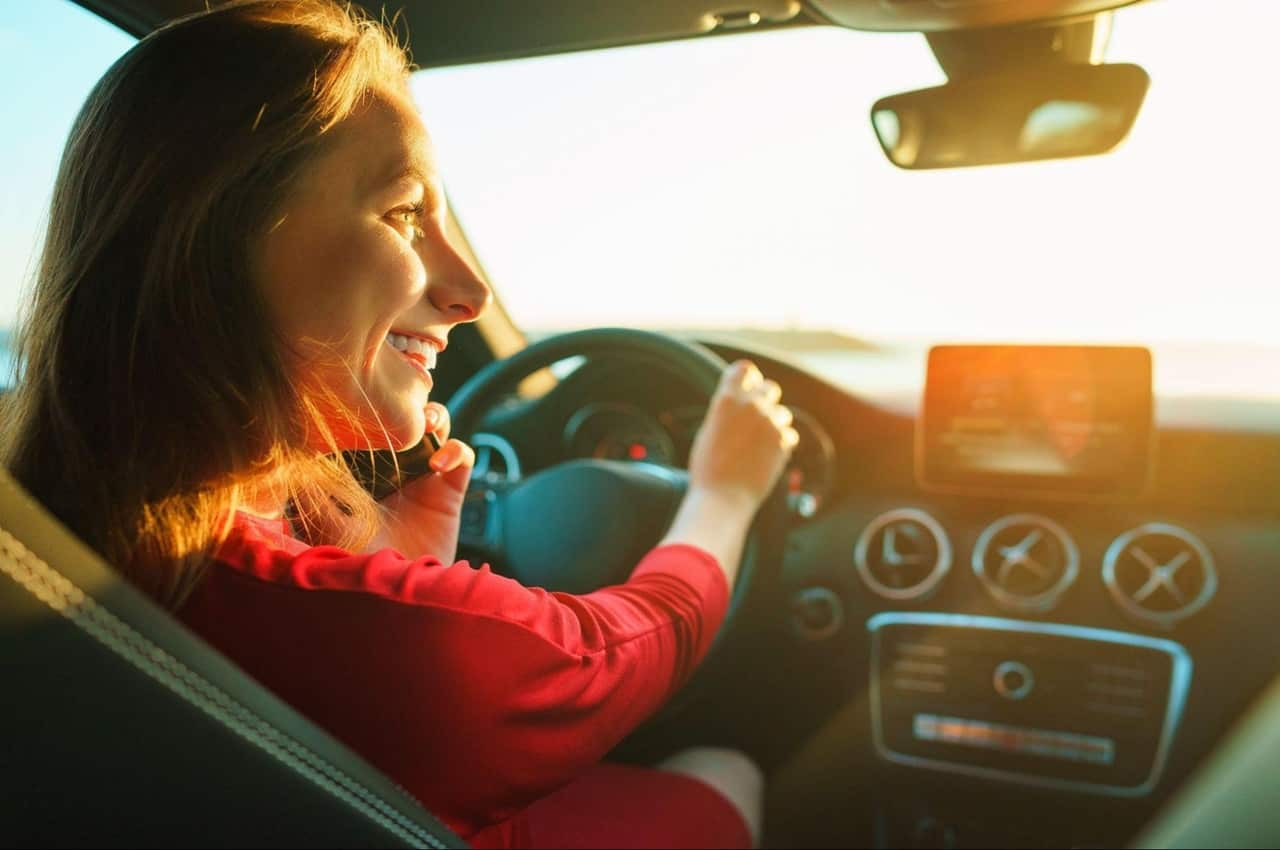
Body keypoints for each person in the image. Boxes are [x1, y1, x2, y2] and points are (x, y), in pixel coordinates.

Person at [1, 1, 798, 847]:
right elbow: (642, 637)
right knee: (726, 768)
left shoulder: (52, 547)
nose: (471, 293)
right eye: (405, 214)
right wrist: (724, 491)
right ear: (216, 240)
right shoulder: (398, 641)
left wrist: (390, 566)